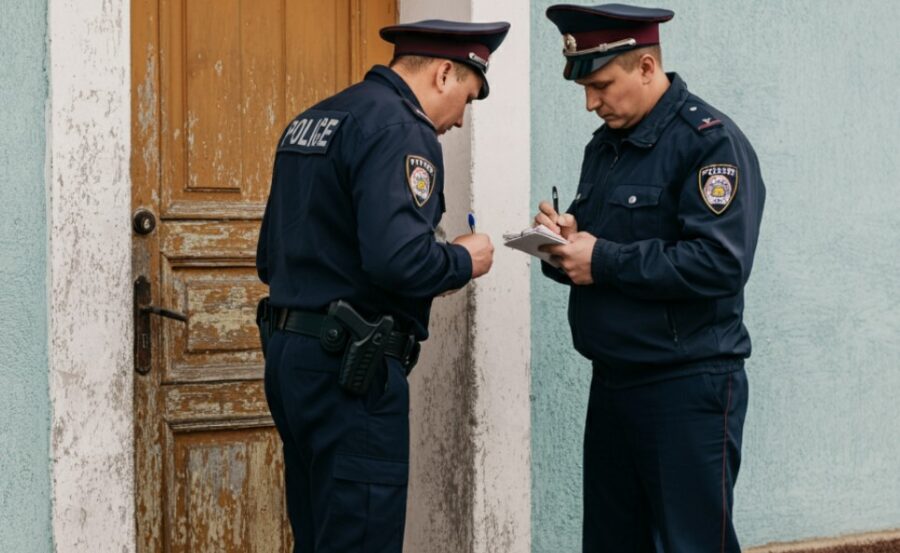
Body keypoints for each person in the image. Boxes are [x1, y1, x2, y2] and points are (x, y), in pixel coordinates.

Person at [256, 19, 510, 553]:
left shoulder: (315, 119)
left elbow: (269, 257)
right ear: (444, 73)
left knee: (319, 534)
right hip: (352, 370)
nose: (460, 120)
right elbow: (399, 260)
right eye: (466, 98)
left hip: (294, 358)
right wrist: (463, 260)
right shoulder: (401, 128)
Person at [534, 4, 766, 552]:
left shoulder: (710, 144)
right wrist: (565, 244)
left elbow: (720, 263)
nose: (592, 103)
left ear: (645, 67)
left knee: (691, 544)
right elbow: (609, 250)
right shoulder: (607, 145)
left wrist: (604, 258)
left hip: (685, 386)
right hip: (614, 380)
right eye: (584, 89)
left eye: (602, 85)